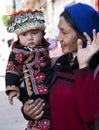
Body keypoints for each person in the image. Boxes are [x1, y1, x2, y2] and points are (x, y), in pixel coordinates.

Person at [21, 3, 99, 130]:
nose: (59, 38)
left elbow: (90, 114)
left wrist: (83, 66)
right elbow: (40, 99)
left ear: (84, 35)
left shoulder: (94, 70)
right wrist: (27, 110)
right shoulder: (56, 63)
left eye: (64, 32)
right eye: (59, 31)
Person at [3, 9, 52, 130]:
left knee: (46, 112)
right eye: (24, 34)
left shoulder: (45, 49)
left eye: (34, 33)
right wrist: (12, 89)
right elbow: (12, 69)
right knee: (40, 113)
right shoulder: (18, 52)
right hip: (30, 92)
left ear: (42, 34)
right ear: (18, 37)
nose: (30, 38)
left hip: (46, 89)